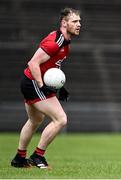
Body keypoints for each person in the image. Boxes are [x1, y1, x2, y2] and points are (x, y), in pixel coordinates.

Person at [11, 7, 81, 169]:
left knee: (35, 120)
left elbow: (52, 65)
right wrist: (42, 86)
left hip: (30, 81)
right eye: (75, 21)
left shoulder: (64, 41)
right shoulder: (55, 42)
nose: (79, 24)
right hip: (33, 82)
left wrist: (59, 87)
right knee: (60, 119)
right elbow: (33, 63)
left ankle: (19, 159)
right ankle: (38, 156)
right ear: (64, 23)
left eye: (79, 21)